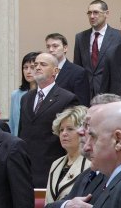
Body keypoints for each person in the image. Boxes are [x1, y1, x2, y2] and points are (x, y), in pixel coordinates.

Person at [19, 52, 79, 187]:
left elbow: (70, 136)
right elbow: (21, 132)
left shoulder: (67, 98)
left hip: (51, 166)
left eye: (43, 64)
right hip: (25, 167)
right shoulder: (26, 98)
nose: (37, 67)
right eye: (35, 65)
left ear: (55, 71)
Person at [42, 105, 90, 208]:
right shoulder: (56, 164)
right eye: (61, 130)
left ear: (83, 131)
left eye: (70, 129)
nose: (64, 134)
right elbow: (48, 205)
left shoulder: (91, 164)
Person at [73, 0, 121, 98]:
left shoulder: (119, 36)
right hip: (85, 90)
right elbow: (78, 66)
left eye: (96, 12)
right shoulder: (80, 37)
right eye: (89, 13)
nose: (92, 16)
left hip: (109, 91)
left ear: (106, 14)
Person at [45, 33, 90, 106]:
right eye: (48, 46)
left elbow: (82, 105)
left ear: (65, 48)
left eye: (55, 46)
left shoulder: (78, 72)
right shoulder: (45, 71)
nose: (50, 50)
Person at [8, 52, 38, 136]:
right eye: (25, 67)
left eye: (32, 67)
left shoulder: (45, 93)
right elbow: (13, 124)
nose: (28, 71)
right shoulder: (16, 95)